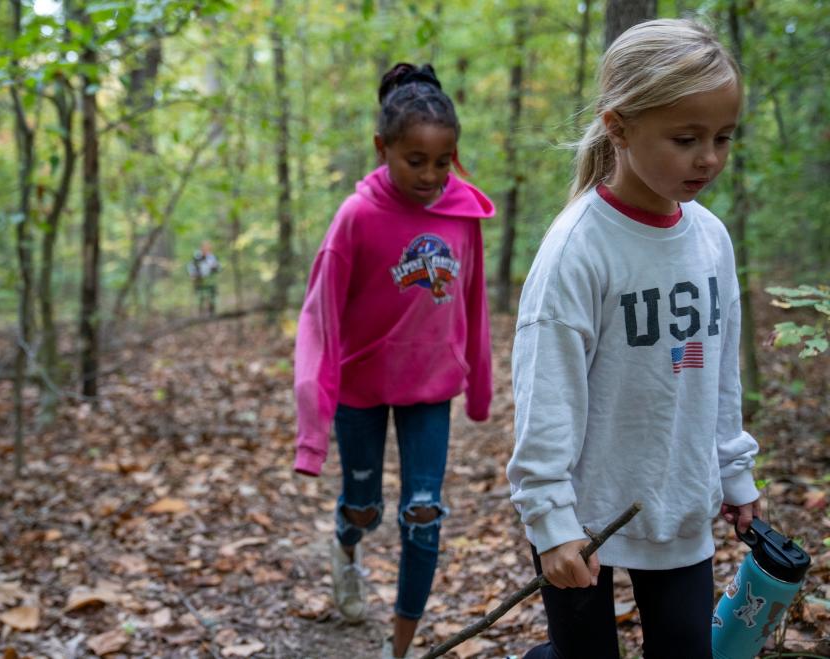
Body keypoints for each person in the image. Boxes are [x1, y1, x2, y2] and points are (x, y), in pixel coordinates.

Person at [505, 19, 762, 659]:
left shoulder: (710, 239)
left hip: (675, 503)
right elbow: (546, 394)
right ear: (618, 127)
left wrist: (735, 472)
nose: (709, 157)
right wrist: (550, 522)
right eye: (686, 138)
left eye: (723, 137)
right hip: (582, 518)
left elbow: (718, 373)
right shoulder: (578, 249)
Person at [292, 63, 495, 659]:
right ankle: (346, 547)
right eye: (415, 160)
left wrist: (478, 387)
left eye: (444, 160)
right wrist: (311, 429)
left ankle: (399, 649)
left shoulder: (463, 214)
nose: (431, 175)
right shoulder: (356, 217)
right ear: (382, 148)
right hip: (360, 386)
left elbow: (474, 302)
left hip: (431, 389)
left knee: (424, 515)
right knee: (366, 508)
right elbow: (318, 320)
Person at [188, 241, 220, 316]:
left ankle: (212, 314)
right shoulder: (197, 257)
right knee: (200, 298)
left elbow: (218, 268)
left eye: (208, 247)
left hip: (211, 282)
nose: (206, 249)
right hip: (200, 281)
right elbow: (191, 267)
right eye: (204, 247)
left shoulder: (213, 257)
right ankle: (201, 314)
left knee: (212, 298)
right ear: (201, 248)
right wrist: (193, 275)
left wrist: (215, 267)